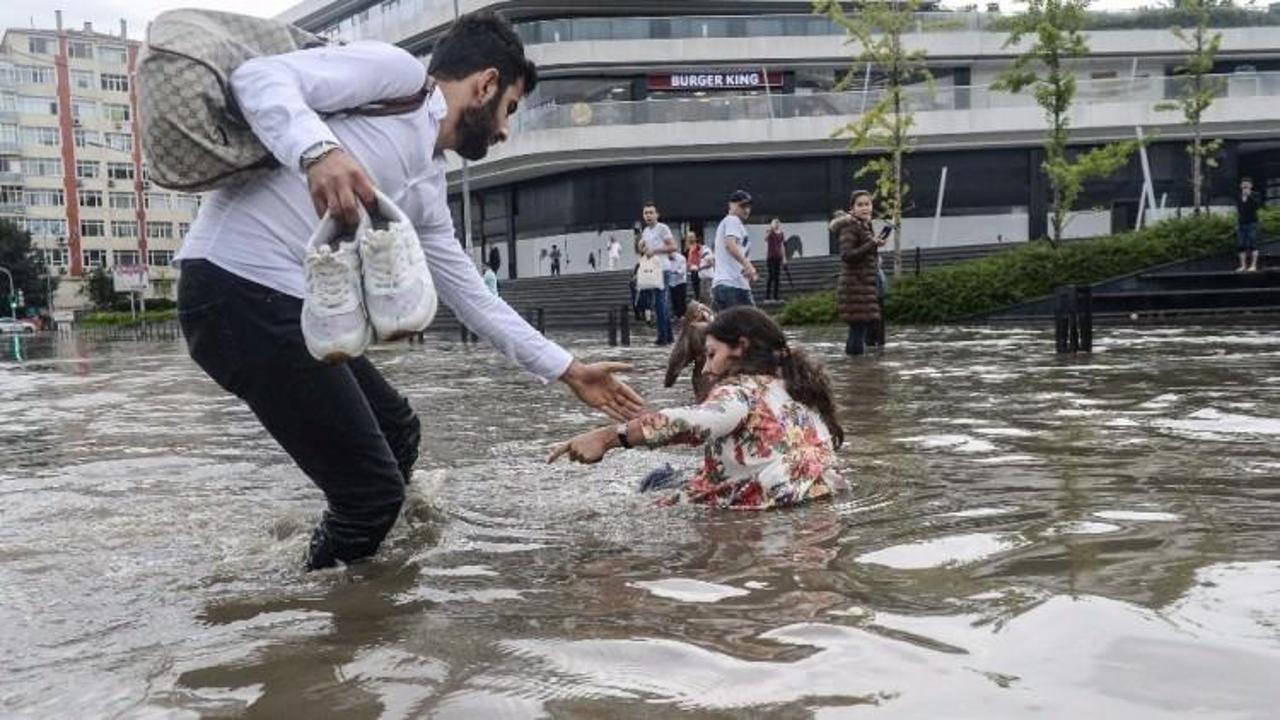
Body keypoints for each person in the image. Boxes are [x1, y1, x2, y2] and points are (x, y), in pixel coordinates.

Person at [174, 13, 644, 571]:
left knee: (398, 431)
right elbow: (256, 77)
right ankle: (319, 625)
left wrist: (567, 368)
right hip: (234, 292)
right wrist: (318, 152)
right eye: (510, 110)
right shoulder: (396, 75)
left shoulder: (427, 181)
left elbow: (471, 294)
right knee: (370, 496)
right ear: (486, 84)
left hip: (283, 307)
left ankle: (365, 571)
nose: (504, 131)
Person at [549, 307, 847, 510]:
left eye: (712, 354)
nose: (706, 368)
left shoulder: (741, 393)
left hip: (760, 513)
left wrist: (607, 437)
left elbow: (692, 421)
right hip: (816, 501)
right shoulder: (799, 387)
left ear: (740, 347)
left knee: (654, 482)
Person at [830, 190, 884, 356]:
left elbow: (863, 255)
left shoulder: (864, 226)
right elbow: (847, 256)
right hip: (855, 286)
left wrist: (874, 245)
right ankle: (855, 370)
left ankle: (854, 369)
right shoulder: (850, 227)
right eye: (860, 205)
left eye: (867, 204)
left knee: (858, 329)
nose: (865, 208)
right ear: (852, 208)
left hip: (863, 285)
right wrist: (871, 244)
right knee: (857, 329)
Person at [712, 189, 758, 310]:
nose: (746, 210)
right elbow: (730, 245)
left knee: (728, 328)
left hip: (724, 284)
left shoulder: (729, 223)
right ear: (731, 205)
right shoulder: (732, 220)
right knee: (755, 326)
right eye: (742, 206)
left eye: (748, 206)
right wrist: (748, 265)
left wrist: (746, 269)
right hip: (733, 285)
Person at [640, 202, 677, 345]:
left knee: (660, 303)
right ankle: (668, 337)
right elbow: (642, 246)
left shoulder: (662, 228)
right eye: (645, 213)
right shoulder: (645, 231)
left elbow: (673, 246)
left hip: (663, 269)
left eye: (651, 212)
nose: (648, 216)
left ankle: (663, 337)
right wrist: (641, 247)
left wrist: (655, 250)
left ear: (657, 214)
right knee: (659, 303)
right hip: (652, 270)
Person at [1237, 177, 1262, 273]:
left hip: (1252, 223)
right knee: (1241, 245)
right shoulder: (1239, 196)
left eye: (1247, 185)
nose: (1245, 186)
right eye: (1243, 184)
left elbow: (1257, 205)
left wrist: (1249, 196)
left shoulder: (1256, 195)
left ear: (1251, 186)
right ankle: (1243, 265)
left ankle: (1253, 265)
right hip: (1241, 223)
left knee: (1253, 244)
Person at [764, 218, 786, 301]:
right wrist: (770, 229)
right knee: (771, 276)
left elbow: (782, 246)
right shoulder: (769, 231)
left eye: (778, 223)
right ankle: (767, 296)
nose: (776, 224)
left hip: (778, 257)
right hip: (770, 257)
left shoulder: (781, 233)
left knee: (777, 277)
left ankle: (776, 296)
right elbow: (765, 239)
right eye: (775, 223)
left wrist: (784, 258)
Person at [667, 245, 689, 319]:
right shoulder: (667, 259)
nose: (668, 256)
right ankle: (676, 314)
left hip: (681, 281)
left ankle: (683, 314)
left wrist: (674, 272)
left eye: (669, 253)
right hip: (671, 282)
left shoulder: (681, 258)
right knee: (674, 299)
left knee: (681, 298)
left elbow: (682, 271)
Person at [685, 231, 703, 301]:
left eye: (692, 237)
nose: (691, 238)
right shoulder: (687, 247)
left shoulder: (698, 246)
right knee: (692, 285)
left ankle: (698, 299)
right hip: (689, 268)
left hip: (696, 268)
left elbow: (700, 255)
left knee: (697, 286)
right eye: (690, 237)